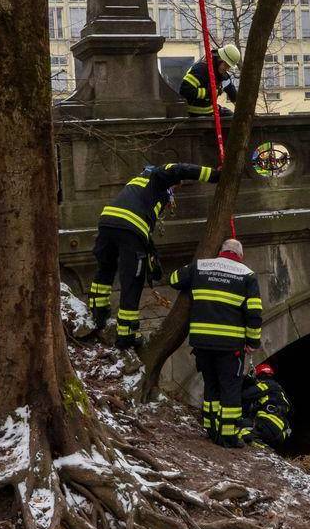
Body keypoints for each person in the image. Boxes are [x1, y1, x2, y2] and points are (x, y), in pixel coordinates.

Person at [89, 162, 218, 348]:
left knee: (105, 269)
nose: (175, 189)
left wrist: (151, 254)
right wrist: (214, 175)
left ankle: (98, 313)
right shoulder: (158, 177)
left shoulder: (135, 184)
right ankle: (127, 334)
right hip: (130, 228)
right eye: (175, 186)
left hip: (107, 223)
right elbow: (179, 169)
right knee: (132, 280)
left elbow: (142, 227)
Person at [168, 238, 263, 447]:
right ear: (240, 256)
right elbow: (254, 313)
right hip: (230, 345)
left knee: (211, 386)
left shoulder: (200, 266)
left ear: (220, 251)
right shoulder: (247, 275)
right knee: (230, 389)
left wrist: (192, 269)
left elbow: (174, 279)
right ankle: (228, 436)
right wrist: (252, 342)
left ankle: (211, 429)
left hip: (202, 343)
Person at [181, 43, 242, 118]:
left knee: (232, 118)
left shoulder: (223, 76)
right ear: (220, 60)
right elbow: (184, 90)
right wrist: (208, 92)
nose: (227, 69)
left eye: (229, 67)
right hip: (196, 114)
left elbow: (233, 95)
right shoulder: (200, 70)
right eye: (226, 65)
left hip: (212, 110)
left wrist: (243, 112)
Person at [242, 362, 292, 448]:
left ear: (259, 374)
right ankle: (261, 443)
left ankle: (255, 441)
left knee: (236, 426)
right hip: (280, 431)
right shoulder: (277, 391)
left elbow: (246, 395)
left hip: (268, 425)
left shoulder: (267, 384)